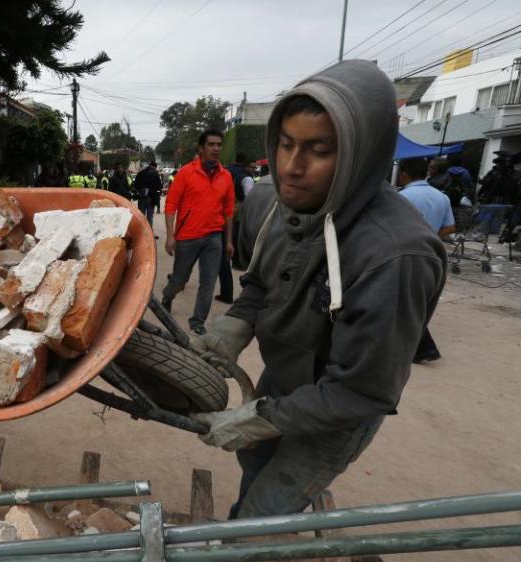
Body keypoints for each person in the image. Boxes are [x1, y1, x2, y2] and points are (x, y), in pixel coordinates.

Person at [192, 61, 446, 519]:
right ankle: (239, 535)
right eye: (286, 145)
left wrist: (260, 418)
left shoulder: (395, 255)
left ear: (360, 153)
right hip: (284, 378)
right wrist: (233, 326)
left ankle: (244, 547)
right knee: (253, 462)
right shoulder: (275, 204)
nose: (292, 167)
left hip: (338, 409)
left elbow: (361, 392)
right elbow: (259, 284)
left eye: (319, 150)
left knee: (266, 508)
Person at [161, 129, 234, 335]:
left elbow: (229, 211)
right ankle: (168, 294)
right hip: (187, 238)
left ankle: (197, 321)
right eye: (211, 144)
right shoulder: (186, 173)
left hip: (214, 237)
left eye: (219, 144)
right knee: (180, 280)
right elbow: (171, 204)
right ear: (201, 148)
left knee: (208, 283)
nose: (216, 148)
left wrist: (228, 240)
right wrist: (170, 235)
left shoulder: (226, 176)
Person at [397, 156, 455, 364]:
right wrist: (429, 235)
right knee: (416, 302)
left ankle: (424, 348)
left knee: (404, 302)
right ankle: (422, 348)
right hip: (434, 257)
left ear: (404, 174)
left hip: (405, 256)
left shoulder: (401, 197)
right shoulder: (442, 197)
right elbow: (450, 228)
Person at [220, 154, 255, 296]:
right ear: (245, 165)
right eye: (252, 167)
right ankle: (238, 259)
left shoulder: (226, 171)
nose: (253, 169)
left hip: (225, 206)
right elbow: (250, 196)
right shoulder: (246, 177)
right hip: (239, 206)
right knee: (239, 232)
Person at [133, 161, 163, 228]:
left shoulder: (140, 173)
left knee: (141, 216)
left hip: (141, 198)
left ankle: (141, 233)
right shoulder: (155, 174)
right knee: (149, 217)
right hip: (151, 198)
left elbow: (135, 185)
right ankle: (149, 234)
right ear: (155, 166)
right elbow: (159, 186)